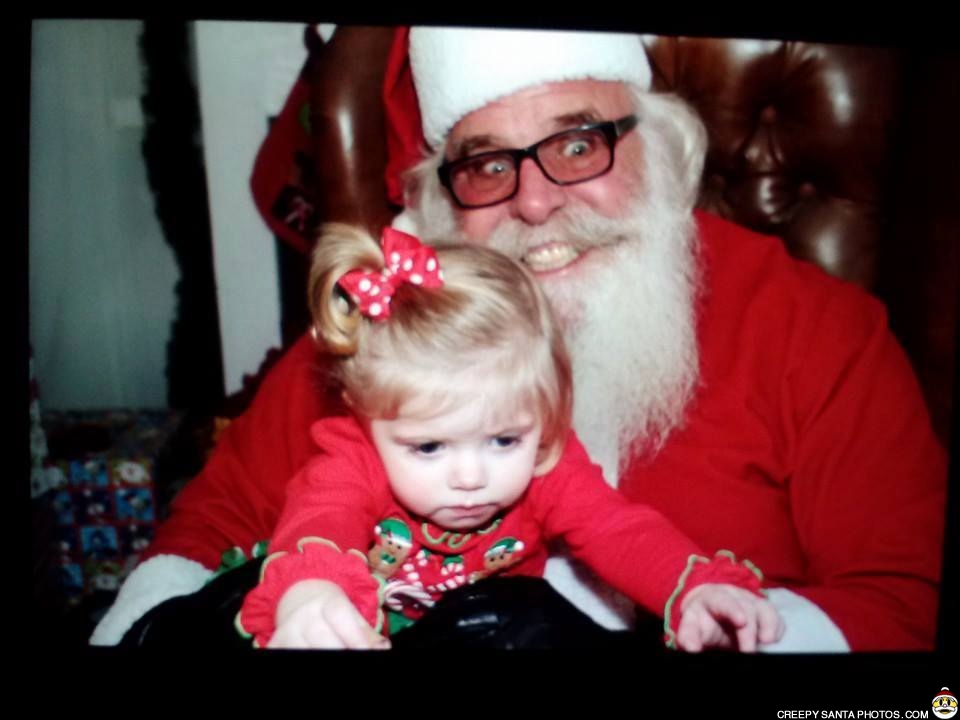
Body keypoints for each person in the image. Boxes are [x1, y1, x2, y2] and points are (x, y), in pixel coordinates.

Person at [91, 27, 946, 652]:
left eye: (578, 144)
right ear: (440, 197)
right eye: (487, 165)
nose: (535, 204)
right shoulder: (390, 329)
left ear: (660, 149)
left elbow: (906, 598)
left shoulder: (815, 326)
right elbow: (206, 533)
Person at [234, 223, 783, 651]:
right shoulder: (355, 458)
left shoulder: (545, 462)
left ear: (547, 412)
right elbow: (321, 517)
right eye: (429, 447)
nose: (471, 477)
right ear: (364, 417)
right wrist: (311, 593)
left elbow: (617, 529)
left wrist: (691, 589)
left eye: (503, 441)